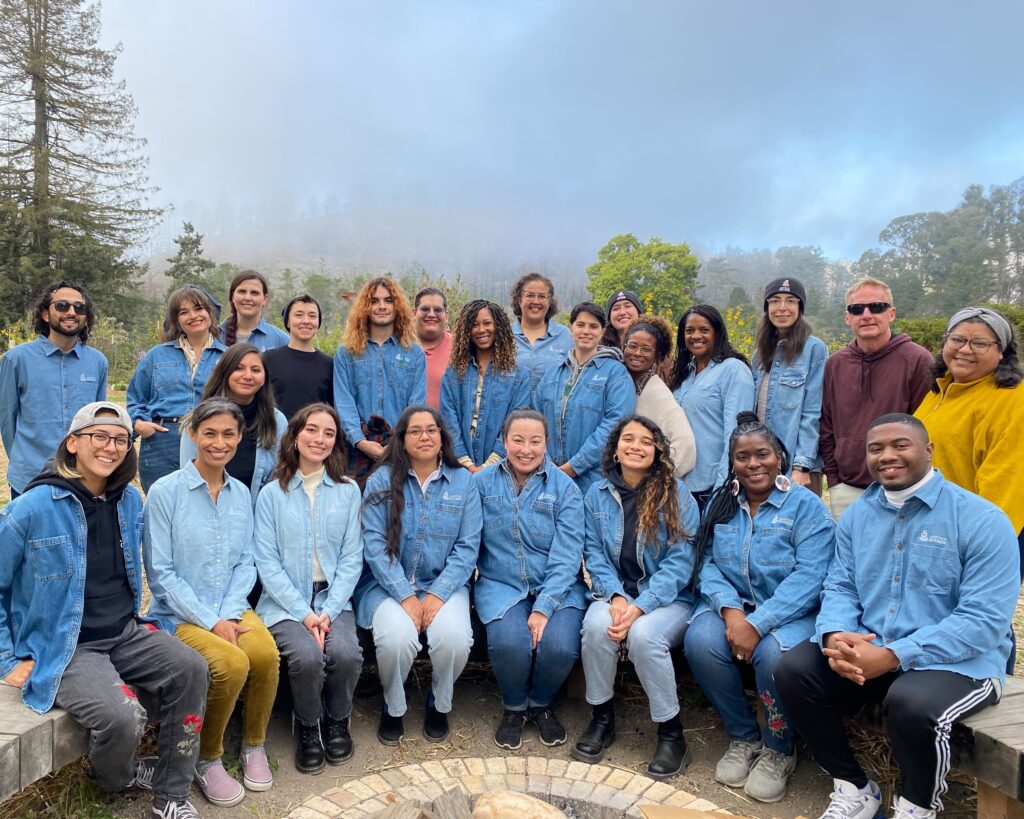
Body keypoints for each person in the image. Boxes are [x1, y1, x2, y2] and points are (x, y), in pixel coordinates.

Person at [775, 414, 1019, 819]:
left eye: (900, 445)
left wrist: (893, 656)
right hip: (872, 646)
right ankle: (854, 787)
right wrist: (836, 635)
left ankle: (918, 806)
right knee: (794, 670)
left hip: (959, 661)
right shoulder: (858, 515)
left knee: (909, 702)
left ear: (928, 450)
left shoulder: (982, 520)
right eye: (876, 449)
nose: (887, 456)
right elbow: (841, 585)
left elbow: (984, 621)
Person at [0, 402, 207, 819]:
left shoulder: (129, 501)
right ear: (72, 443)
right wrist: (7, 658)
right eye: (99, 435)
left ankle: (171, 796)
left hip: (126, 632)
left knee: (192, 668)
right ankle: (118, 778)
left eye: (120, 439)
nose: (110, 447)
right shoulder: (33, 507)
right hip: (67, 646)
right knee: (123, 716)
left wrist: (159, 625)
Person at [684, 411, 834, 803]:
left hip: (794, 613)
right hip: (735, 607)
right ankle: (742, 736)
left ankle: (778, 747)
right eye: (743, 457)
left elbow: (812, 576)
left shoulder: (806, 507)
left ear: (779, 457)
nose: (753, 464)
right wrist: (732, 613)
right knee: (700, 639)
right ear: (732, 462)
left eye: (762, 454)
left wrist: (760, 623)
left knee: (771, 655)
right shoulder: (722, 505)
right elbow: (706, 564)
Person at [144, 398, 280, 809]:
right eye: (210, 433)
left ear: (240, 438)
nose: (219, 443)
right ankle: (207, 756)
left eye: (228, 434)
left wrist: (229, 612)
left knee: (265, 653)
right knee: (230, 663)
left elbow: (246, 560)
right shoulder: (165, 494)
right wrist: (209, 619)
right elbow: (162, 575)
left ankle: (254, 744)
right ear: (193, 435)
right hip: (179, 614)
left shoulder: (241, 494)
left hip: (231, 604)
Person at [574, 416, 700, 780]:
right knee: (596, 625)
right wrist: (614, 596)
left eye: (646, 441)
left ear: (656, 451)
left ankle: (671, 733)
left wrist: (641, 606)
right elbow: (593, 552)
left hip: (669, 599)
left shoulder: (676, 493)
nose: (636, 446)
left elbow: (681, 562)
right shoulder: (596, 493)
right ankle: (602, 718)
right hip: (615, 593)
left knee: (645, 636)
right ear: (615, 448)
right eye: (628, 439)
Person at [355, 406, 481, 746]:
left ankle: (439, 703)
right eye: (415, 431)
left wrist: (438, 594)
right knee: (396, 639)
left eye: (431, 430)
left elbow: (468, 548)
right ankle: (394, 705)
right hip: (386, 586)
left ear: (442, 437)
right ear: (402, 439)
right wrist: (406, 596)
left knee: (453, 638)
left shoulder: (463, 482)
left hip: (444, 583)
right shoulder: (382, 479)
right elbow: (375, 544)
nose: (424, 437)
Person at [254, 404, 363, 773]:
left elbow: (352, 558)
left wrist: (327, 612)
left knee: (346, 653)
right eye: (312, 430)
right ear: (296, 435)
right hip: (287, 601)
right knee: (306, 657)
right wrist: (305, 615)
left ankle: (337, 718)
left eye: (329, 433)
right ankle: (307, 724)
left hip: (333, 598)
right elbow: (266, 561)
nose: (319, 439)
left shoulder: (348, 491)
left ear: (335, 442)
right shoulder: (272, 493)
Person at [473, 410, 588, 751]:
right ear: (504, 441)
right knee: (510, 642)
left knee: (560, 645)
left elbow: (568, 554)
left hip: (557, 586)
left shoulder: (565, 488)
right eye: (517, 440)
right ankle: (514, 706)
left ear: (546, 444)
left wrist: (545, 606)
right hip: (501, 585)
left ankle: (540, 703)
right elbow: (468, 541)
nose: (526, 449)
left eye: (535, 441)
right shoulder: (481, 483)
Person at [914, 307, 1024, 573]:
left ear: (1002, 352)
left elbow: (1006, 485)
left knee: (976, 612)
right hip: (936, 530)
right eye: (957, 339)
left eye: (980, 343)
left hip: (981, 538)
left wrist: (979, 547)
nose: (965, 349)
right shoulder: (941, 390)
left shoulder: (1012, 400)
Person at [820, 278, 932, 519]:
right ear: (848, 317)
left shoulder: (918, 360)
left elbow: (926, 427)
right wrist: (834, 480)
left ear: (891, 313)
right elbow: (826, 424)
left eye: (877, 307)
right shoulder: (835, 364)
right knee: (851, 556)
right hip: (846, 489)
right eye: (857, 309)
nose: (867, 315)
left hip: (903, 488)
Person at [0, 281, 107, 499]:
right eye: (62, 306)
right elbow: (6, 420)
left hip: (82, 476)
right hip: (30, 477)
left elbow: (97, 420)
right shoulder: (16, 360)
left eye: (79, 308)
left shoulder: (97, 362)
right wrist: (23, 458)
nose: (71, 312)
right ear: (45, 314)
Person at [127, 285, 227, 492]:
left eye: (198, 308)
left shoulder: (227, 357)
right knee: (160, 507)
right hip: (160, 442)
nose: (193, 316)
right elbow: (135, 397)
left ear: (210, 313)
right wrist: (138, 424)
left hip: (207, 441)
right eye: (184, 312)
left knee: (203, 507)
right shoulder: (157, 355)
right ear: (177, 320)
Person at [532, 302, 635, 494]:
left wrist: (574, 466)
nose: (586, 331)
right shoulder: (553, 372)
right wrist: (545, 461)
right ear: (571, 328)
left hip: (594, 480)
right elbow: (535, 418)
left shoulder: (615, 373)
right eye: (580, 325)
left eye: (593, 326)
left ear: (602, 331)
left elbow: (615, 424)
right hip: (548, 475)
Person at [333, 277, 426, 483]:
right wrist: (360, 441)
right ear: (365, 307)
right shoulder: (346, 353)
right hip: (356, 449)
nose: (381, 306)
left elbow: (417, 405)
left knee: (399, 511)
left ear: (397, 306)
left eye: (388, 300)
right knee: (357, 511)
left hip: (401, 447)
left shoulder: (414, 353)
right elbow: (343, 401)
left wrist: (398, 443)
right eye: (374, 301)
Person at [668, 305, 755, 511]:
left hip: (712, 484)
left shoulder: (733, 370)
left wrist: (723, 486)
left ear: (717, 333)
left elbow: (736, 434)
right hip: (680, 484)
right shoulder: (685, 373)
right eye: (690, 331)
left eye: (704, 330)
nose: (696, 336)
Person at [180, 343, 287, 508]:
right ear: (225, 372)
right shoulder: (199, 419)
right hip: (206, 511)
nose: (248, 376)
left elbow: (278, 477)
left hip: (256, 516)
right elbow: (188, 478)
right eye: (239, 368)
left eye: (256, 370)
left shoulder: (277, 421)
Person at [751, 278, 828, 494]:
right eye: (775, 301)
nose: (782, 308)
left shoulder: (814, 349)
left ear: (800, 307)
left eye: (791, 301)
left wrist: (801, 466)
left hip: (797, 468)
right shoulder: (759, 355)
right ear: (767, 308)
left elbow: (813, 411)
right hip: (763, 464)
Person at [440, 299, 531, 472]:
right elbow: (448, 421)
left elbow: (516, 423)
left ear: (499, 327)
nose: (482, 330)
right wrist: (466, 463)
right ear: (466, 330)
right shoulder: (453, 374)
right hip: (458, 466)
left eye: (487, 323)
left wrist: (488, 466)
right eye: (474, 325)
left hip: (501, 467)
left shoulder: (519, 375)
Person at [621, 316, 696, 479]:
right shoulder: (622, 383)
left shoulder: (656, 393)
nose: (637, 353)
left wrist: (657, 480)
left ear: (658, 355)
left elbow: (686, 444)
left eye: (646, 349)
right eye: (632, 346)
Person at [263, 295, 334, 419]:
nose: (306, 321)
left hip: (314, 435)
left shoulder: (329, 364)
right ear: (288, 322)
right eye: (299, 315)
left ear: (318, 322)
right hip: (276, 433)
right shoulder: (268, 359)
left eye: (312, 316)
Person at [509, 273, 573, 393]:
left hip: (551, 411)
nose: (536, 301)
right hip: (511, 410)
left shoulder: (565, 335)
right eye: (530, 295)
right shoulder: (505, 335)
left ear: (549, 301)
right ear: (519, 300)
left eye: (542, 296)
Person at [220, 270, 289, 350]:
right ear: (232, 297)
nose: (247, 298)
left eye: (254, 293)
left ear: (264, 299)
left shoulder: (281, 341)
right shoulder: (214, 336)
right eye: (242, 292)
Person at [413, 287, 452, 409]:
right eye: (425, 309)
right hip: (404, 426)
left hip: (447, 427)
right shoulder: (397, 346)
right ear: (413, 313)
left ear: (446, 316)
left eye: (438, 310)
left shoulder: (460, 349)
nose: (431, 314)